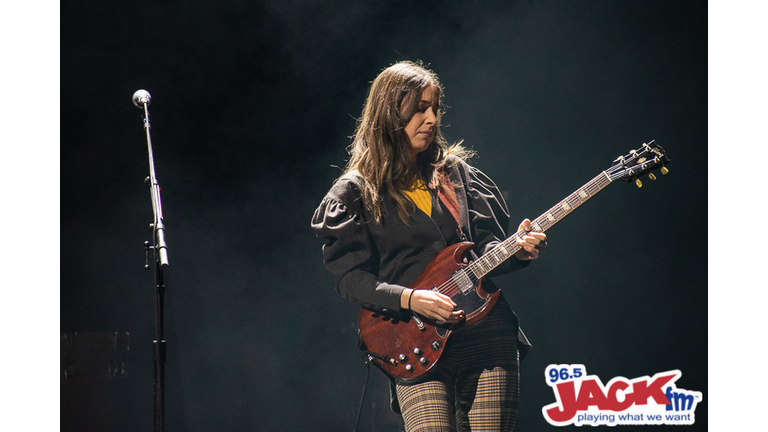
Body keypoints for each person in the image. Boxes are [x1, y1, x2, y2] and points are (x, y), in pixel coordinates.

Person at [311, 60, 547, 432]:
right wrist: (410, 299)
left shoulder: (456, 175)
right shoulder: (354, 193)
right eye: (419, 109)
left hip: (487, 336)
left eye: (435, 108)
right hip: (413, 343)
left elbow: (486, 249)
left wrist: (515, 251)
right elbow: (351, 279)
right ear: (390, 114)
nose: (432, 118)